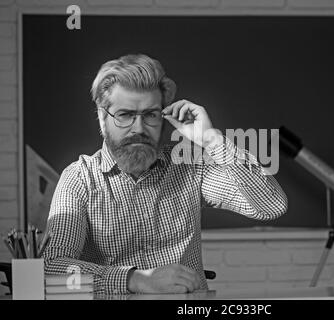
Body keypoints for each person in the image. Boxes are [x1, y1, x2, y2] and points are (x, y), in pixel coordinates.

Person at [43, 54, 288, 295]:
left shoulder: (190, 165)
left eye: (150, 115)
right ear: (102, 116)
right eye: (125, 115)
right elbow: (52, 267)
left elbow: (272, 206)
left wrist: (212, 139)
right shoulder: (79, 178)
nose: (139, 128)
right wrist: (135, 279)